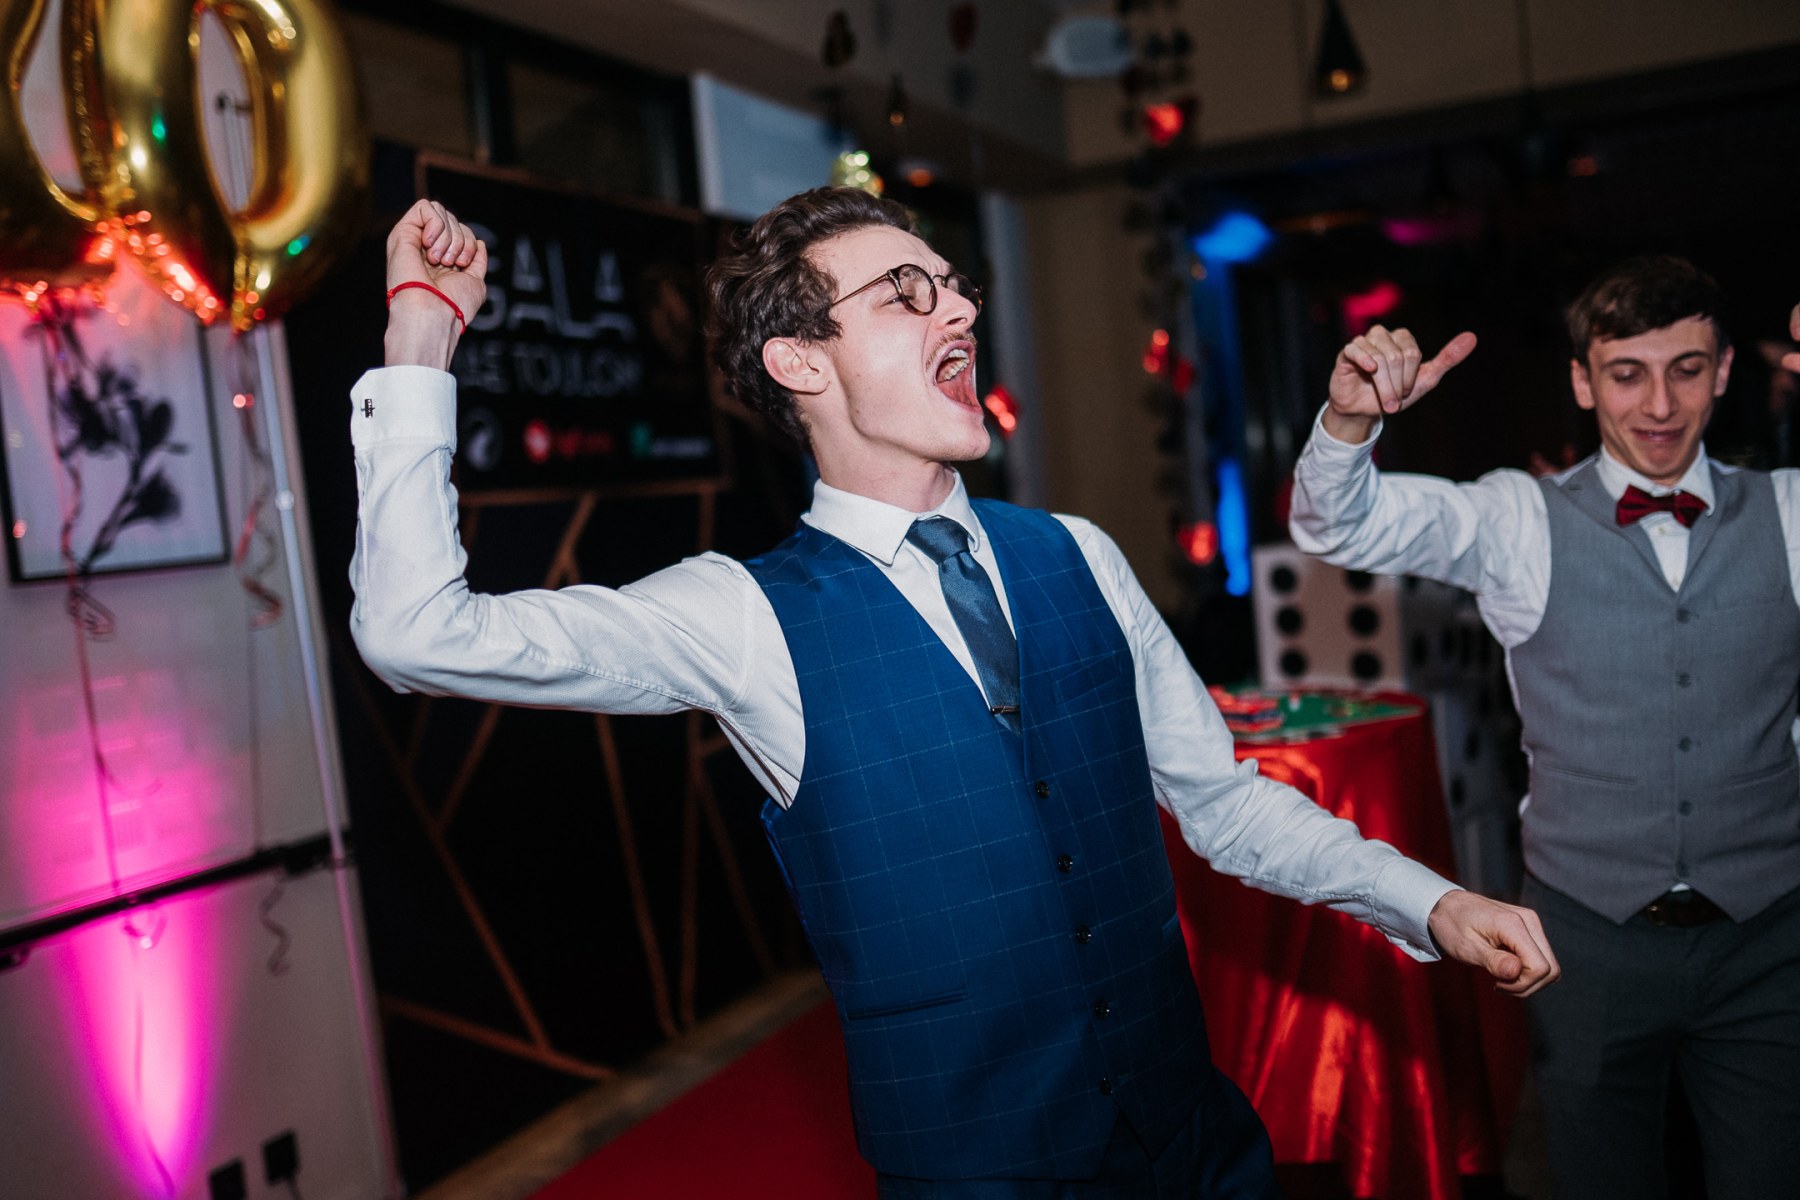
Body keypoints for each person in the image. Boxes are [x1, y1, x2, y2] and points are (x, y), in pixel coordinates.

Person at [352, 190, 1557, 1198]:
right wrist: (421, 340)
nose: (963, 310)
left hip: (1195, 1144)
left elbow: (1224, 804)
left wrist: (1431, 901)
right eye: (905, 294)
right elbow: (415, 633)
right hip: (978, 1173)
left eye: (955, 286)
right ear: (800, 361)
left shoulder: (1078, 553)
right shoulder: (739, 616)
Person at [1289, 257, 1800, 1200]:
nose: (1659, 404)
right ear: (1581, 380)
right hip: (1583, 942)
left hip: (1769, 940)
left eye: (1686, 369)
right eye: (1626, 373)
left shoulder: (1790, 509)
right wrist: (1351, 422)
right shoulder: (1517, 519)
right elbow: (1338, 528)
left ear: (1726, 370)